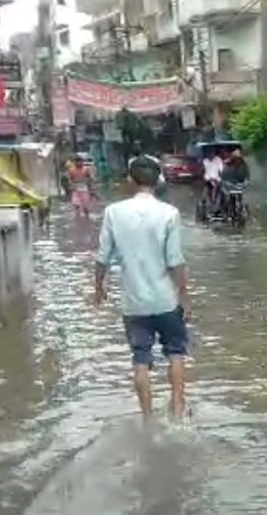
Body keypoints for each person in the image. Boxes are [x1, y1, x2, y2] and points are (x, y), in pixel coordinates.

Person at [94, 157, 190, 419]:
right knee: (176, 353)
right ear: (158, 181)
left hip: (133, 302)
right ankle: (178, 408)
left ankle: (148, 419)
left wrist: (98, 287)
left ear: (130, 180)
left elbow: (102, 256)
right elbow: (175, 261)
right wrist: (184, 296)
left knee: (140, 358)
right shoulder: (169, 213)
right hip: (166, 299)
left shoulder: (113, 212)